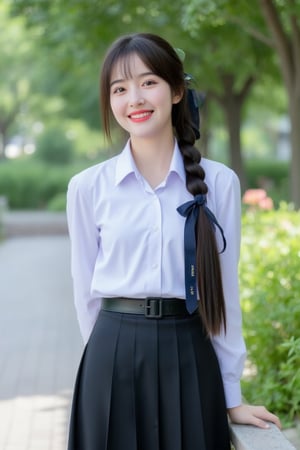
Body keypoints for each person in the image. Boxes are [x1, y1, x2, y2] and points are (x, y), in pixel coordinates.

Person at [66, 32, 281, 450]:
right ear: (110, 101)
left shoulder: (219, 182)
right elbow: (84, 292)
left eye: (148, 83)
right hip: (111, 355)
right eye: (120, 88)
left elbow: (225, 293)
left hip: (190, 352)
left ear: (177, 90)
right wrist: (102, 366)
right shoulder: (87, 188)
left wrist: (231, 394)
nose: (135, 99)